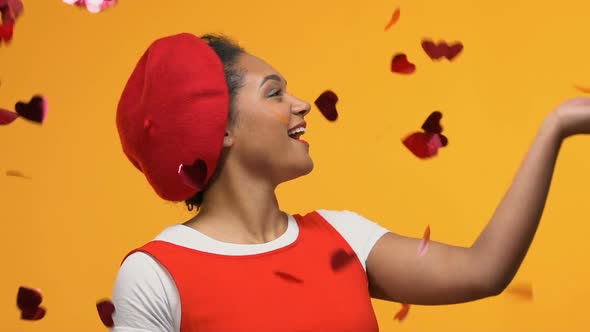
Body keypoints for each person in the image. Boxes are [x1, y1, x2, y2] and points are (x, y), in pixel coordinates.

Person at [112, 32, 590, 332]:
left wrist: (556, 127)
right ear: (221, 129)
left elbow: (482, 270)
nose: (301, 105)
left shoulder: (343, 238)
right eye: (275, 92)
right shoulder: (156, 276)